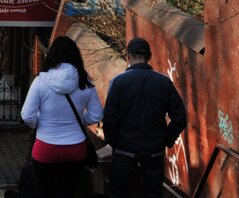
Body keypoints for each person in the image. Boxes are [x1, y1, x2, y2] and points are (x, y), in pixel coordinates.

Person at [20, 35, 104, 198]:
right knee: (68, 192)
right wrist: (79, 120)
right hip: (75, 149)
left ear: (52, 55)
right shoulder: (85, 82)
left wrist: (40, 123)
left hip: (45, 148)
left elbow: (27, 115)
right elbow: (96, 115)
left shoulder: (40, 81)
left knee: (43, 191)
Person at [103, 37, 187, 198]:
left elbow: (109, 118)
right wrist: (166, 140)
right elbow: (179, 117)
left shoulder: (118, 82)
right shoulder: (164, 82)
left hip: (124, 149)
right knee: (152, 193)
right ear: (150, 56)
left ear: (128, 57)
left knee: (120, 192)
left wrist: (113, 141)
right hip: (154, 149)